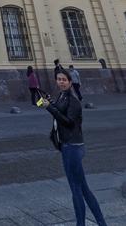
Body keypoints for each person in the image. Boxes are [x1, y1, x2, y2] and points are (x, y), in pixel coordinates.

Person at [40, 69, 108, 226]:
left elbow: (68, 122)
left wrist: (49, 107)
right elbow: (57, 109)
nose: (61, 81)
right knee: (83, 188)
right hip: (67, 146)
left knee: (76, 189)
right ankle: (101, 222)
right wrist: (46, 102)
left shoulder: (74, 100)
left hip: (73, 147)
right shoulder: (62, 96)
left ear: (70, 82)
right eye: (59, 79)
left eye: (64, 79)